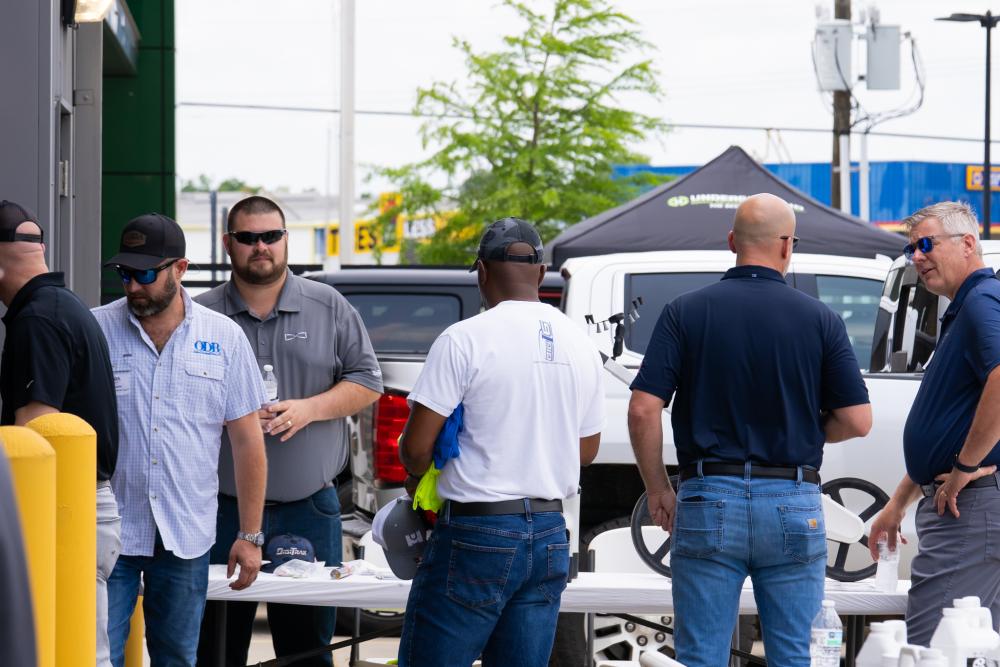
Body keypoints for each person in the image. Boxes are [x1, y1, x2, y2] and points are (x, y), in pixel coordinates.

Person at [628, 193, 872, 667]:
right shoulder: (820, 319)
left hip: (708, 498)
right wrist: (805, 428)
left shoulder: (684, 311)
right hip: (793, 501)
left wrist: (658, 489)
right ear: (786, 245)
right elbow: (857, 420)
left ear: (732, 242)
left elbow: (642, 409)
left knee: (700, 657)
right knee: (796, 657)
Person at [395, 217, 605, 667]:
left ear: (482, 272)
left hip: (478, 530)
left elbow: (414, 450)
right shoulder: (581, 343)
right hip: (549, 531)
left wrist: (423, 472)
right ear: (542, 272)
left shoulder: (463, 338)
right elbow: (586, 451)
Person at [195, 195, 382, 667]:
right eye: (248, 237)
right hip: (219, 510)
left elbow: (367, 382)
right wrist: (229, 415)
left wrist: (309, 409)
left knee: (307, 654)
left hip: (308, 509)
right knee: (213, 649)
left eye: (271, 236)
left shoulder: (328, 306)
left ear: (285, 240)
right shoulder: (200, 314)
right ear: (228, 244)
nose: (260, 246)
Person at [92, 213, 268, 667]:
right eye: (125, 274)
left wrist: (250, 535)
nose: (133, 286)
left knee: (176, 658)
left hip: (185, 534)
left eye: (146, 275)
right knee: (98, 656)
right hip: (110, 530)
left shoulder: (224, 337)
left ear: (180, 269)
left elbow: (248, 441)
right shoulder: (95, 331)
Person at [868, 201, 1000, 645]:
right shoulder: (967, 307)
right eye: (911, 249)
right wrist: (898, 503)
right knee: (970, 649)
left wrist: (964, 468)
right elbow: (951, 426)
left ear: (967, 244)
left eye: (926, 244)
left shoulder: (981, 301)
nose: (917, 257)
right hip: (967, 505)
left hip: (968, 508)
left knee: (931, 649)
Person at [0, 199, 121, 667]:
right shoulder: (63, 305)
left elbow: (34, 439)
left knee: (71, 654)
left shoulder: (37, 320)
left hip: (63, 508)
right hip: (85, 504)